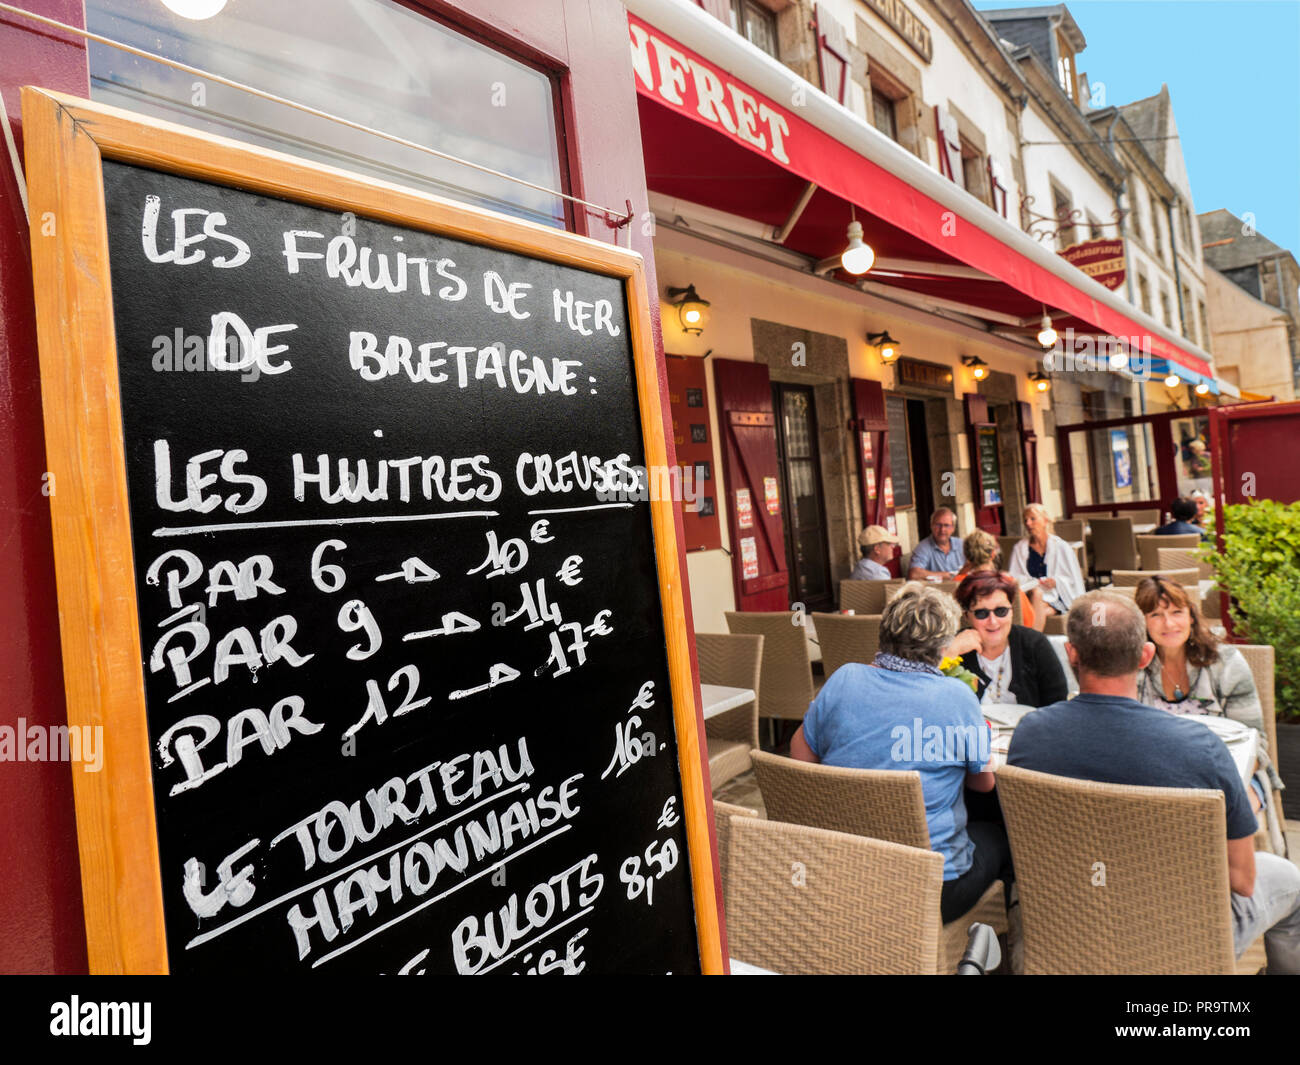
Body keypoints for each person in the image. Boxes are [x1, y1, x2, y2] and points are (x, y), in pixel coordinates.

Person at [1008, 591, 1300, 973]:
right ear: (1145, 656)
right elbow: (1243, 880)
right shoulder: (1201, 750)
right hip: (1178, 940)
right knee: (1289, 880)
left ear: (1071, 655)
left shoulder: (1029, 735)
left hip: (1066, 932)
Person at [790, 582, 1014, 926]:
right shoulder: (956, 696)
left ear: (884, 632)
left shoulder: (844, 678)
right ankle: (983, 951)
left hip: (845, 872)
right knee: (999, 836)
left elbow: (802, 760)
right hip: (931, 888)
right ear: (943, 644)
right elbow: (983, 784)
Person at [1135, 575, 1286, 853]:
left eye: (1176, 612)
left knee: (1216, 830)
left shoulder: (1226, 663)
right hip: (1160, 781)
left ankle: (1235, 893)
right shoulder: (1136, 668)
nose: (1169, 624)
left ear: (1191, 616)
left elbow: (1257, 744)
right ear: (1142, 623)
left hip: (1232, 776)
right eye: (1156, 614)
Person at [949, 571, 1068, 708]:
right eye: (981, 613)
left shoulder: (1034, 644)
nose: (993, 622)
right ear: (967, 616)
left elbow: (1058, 704)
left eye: (1001, 611)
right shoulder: (955, 647)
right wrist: (950, 653)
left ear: (1012, 611)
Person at [1007, 503, 1084, 618]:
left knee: (1037, 609)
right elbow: (1014, 577)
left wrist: (1056, 582)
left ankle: (1031, 631)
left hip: (1058, 595)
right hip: (1031, 595)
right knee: (1038, 603)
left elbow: (1074, 579)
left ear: (1045, 520)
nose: (1028, 523)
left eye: (1033, 519)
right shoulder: (1020, 549)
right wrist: (1032, 583)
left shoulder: (1061, 547)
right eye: (1025, 520)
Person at [956, 528, 1042, 631]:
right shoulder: (1007, 583)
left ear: (966, 556)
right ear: (993, 554)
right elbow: (1028, 620)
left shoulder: (958, 584)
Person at [907, 507, 965, 580]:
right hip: (936, 590)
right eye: (938, 525)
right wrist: (950, 575)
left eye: (946, 525)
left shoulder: (962, 544)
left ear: (953, 528)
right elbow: (914, 574)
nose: (942, 530)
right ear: (931, 526)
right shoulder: (923, 547)